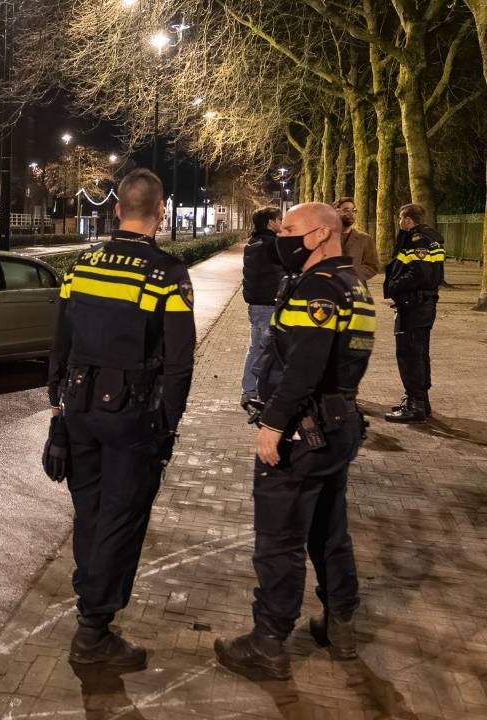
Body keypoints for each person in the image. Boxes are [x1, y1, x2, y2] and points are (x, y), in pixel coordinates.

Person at [214, 202, 374, 681]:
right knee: (329, 531)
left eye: (290, 229)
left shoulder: (320, 288)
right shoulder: (355, 284)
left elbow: (304, 364)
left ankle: (268, 642)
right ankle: (340, 623)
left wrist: (274, 424)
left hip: (305, 432)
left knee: (279, 541)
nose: (282, 236)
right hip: (339, 423)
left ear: (322, 234)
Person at [47, 169, 195, 667]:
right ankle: (93, 630)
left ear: (115, 209)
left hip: (79, 408)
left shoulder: (81, 265)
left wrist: (57, 402)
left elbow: (60, 339)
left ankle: (89, 600)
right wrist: (169, 425)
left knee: (89, 511)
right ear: (160, 211)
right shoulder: (166, 273)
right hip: (133, 417)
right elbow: (179, 362)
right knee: (122, 516)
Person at [382, 203, 444, 423]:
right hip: (422, 305)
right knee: (419, 353)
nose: (399, 222)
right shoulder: (431, 238)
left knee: (409, 354)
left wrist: (394, 285)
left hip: (414, 306)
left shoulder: (419, 240)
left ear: (408, 220)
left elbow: (420, 273)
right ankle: (421, 402)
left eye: (401, 218)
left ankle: (415, 405)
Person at [240, 206, 284, 409]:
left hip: (255, 305)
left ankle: (249, 391)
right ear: (271, 222)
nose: (282, 223)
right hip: (269, 305)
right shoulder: (273, 245)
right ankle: (264, 393)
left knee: (255, 349)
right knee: (269, 351)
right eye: (279, 219)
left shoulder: (252, 243)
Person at [333, 198, 380, 281]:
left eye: (353, 210)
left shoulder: (365, 238)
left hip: (356, 289)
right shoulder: (325, 238)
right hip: (330, 289)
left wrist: (352, 274)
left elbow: (373, 266)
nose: (351, 213)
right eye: (346, 210)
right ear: (336, 212)